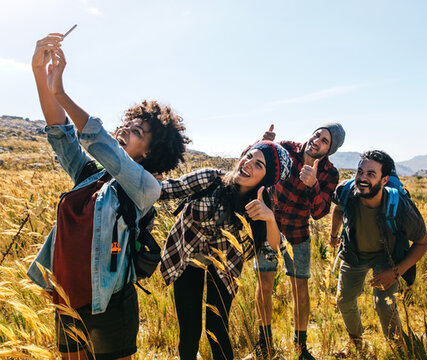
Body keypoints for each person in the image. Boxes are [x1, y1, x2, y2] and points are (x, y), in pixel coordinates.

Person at [26, 33, 189, 360]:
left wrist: (61, 92)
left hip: (110, 303)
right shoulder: (90, 175)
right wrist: (40, 74)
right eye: (128, 124)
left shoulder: (145, 187)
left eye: (138, 132)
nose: (126, 129)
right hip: (67, 298)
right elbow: (61, 134)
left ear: (149, 154)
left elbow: (101, 143)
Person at [158, 141, 291, 360]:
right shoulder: (210, 179)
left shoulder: (259, 205)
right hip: (187, 259)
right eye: (249, 157)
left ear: (265, 180)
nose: (248, 164)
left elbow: (274, 248)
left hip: (225, 267)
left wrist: (269, 218)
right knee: (189, 331)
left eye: (258, 164)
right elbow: (168, 190)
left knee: (217, 328)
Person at [253, 124, 344, 359]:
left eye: (324, 140)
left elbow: (320, 212)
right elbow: (252, 168)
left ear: (330, 149)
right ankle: (264, 345)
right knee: (264, 284)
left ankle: (300, 347)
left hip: (298, 235)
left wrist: (313, 185)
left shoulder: (330, 174)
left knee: (300, 288)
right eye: (317, 134)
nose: (317, 141)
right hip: (268, 228)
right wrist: (261, 144)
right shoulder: (284, 149)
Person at [329, 150, 427, 350]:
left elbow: (423, 242)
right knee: (344, 300)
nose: (362, 178)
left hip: (387, 256)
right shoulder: (347, 192)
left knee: (384, 305)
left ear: (384, 180)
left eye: (371, 174)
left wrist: (395, 272)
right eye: (360, 172)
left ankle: (396, 348)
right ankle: (357, 343)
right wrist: (333, 235)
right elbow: (339, 208)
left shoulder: (400, 206)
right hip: (354, 253)